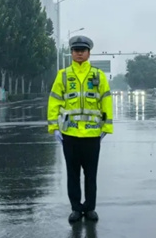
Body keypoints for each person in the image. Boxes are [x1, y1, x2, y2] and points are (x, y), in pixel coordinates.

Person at [47, 35, 113, 223]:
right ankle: (76, 208)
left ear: (89, 53)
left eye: (82, 50)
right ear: (72, 52)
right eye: (76, 50)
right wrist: (54, 128)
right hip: (70, 134)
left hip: (93, 135)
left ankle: (90, 208)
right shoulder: (64, 75)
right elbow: (54, 101)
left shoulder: (98, 75)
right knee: (73, 174)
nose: (79, 53)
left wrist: (106, 128)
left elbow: (105, 101)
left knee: (91, 175)